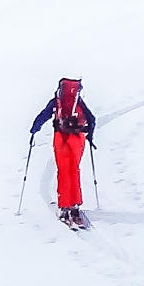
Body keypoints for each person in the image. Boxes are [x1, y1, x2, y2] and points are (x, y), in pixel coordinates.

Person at [30, 77, 96, 228]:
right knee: (74, 171)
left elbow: (44, 115)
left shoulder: (57, 101)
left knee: (63, 171)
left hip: (60, 138)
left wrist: (35, 129)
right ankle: (75, 207)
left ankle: (64, 207)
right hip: (77, 139)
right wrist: (89, 135)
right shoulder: (78, 101)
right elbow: (91, 119)